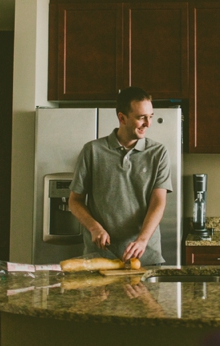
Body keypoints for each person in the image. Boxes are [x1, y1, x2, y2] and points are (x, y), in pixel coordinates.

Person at [68, 87, 171, 265]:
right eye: (141, 118)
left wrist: (142, 240)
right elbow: (74, 200)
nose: (148, 123)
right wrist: (94, 228)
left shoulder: (158, 153)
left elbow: (158, 202)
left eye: (151, 116)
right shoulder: (92, 151)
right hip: (100, 257)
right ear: (122, 118)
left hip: (145, 257)